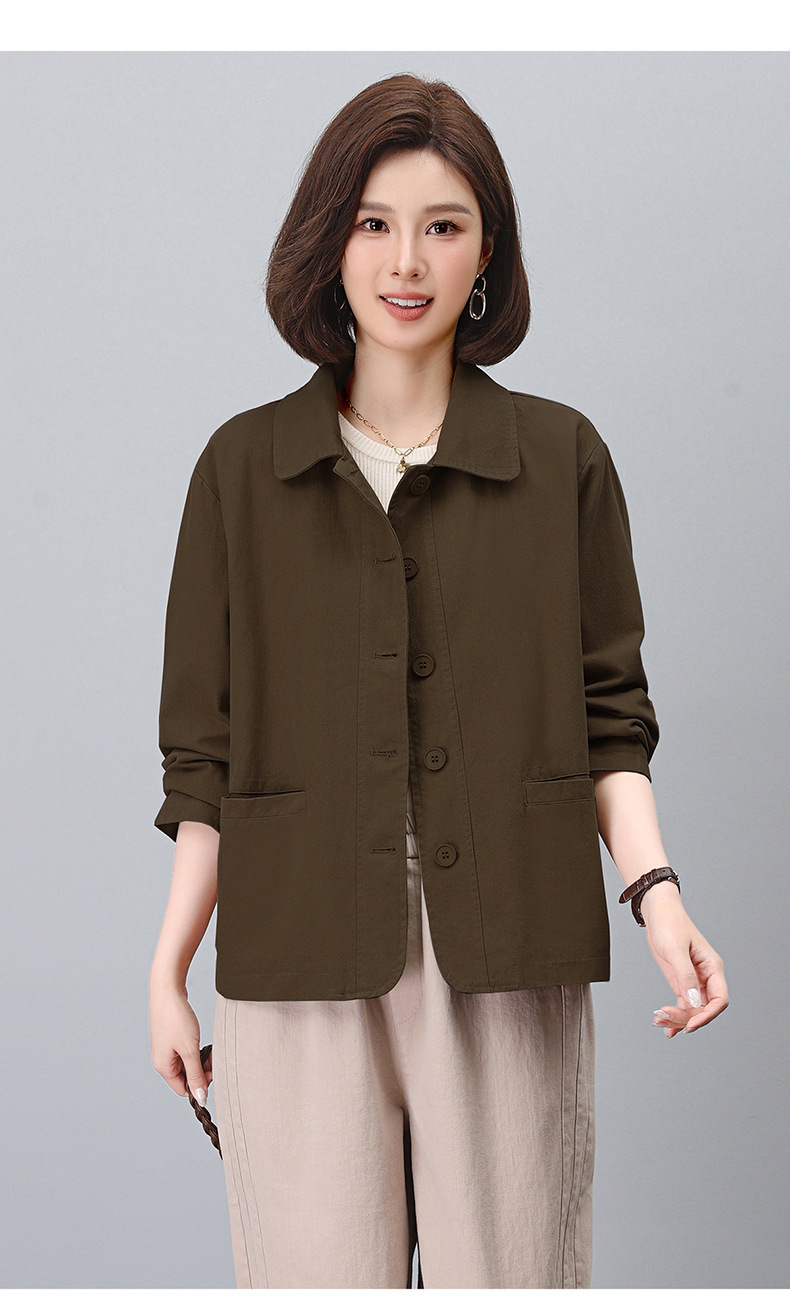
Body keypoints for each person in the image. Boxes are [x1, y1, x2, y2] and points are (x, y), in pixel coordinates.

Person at [148, 73, 729, 1290]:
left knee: (512, 1273)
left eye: (443, 225)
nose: (405, 260)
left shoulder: (561, 458)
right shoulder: (241, 470)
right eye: (373, 222)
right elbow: (203, 756)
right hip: (296, 946)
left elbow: (609, 716)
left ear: (486, 255)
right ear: (329, 242)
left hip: (509, 941)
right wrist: (168, 969)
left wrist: (657, 894)